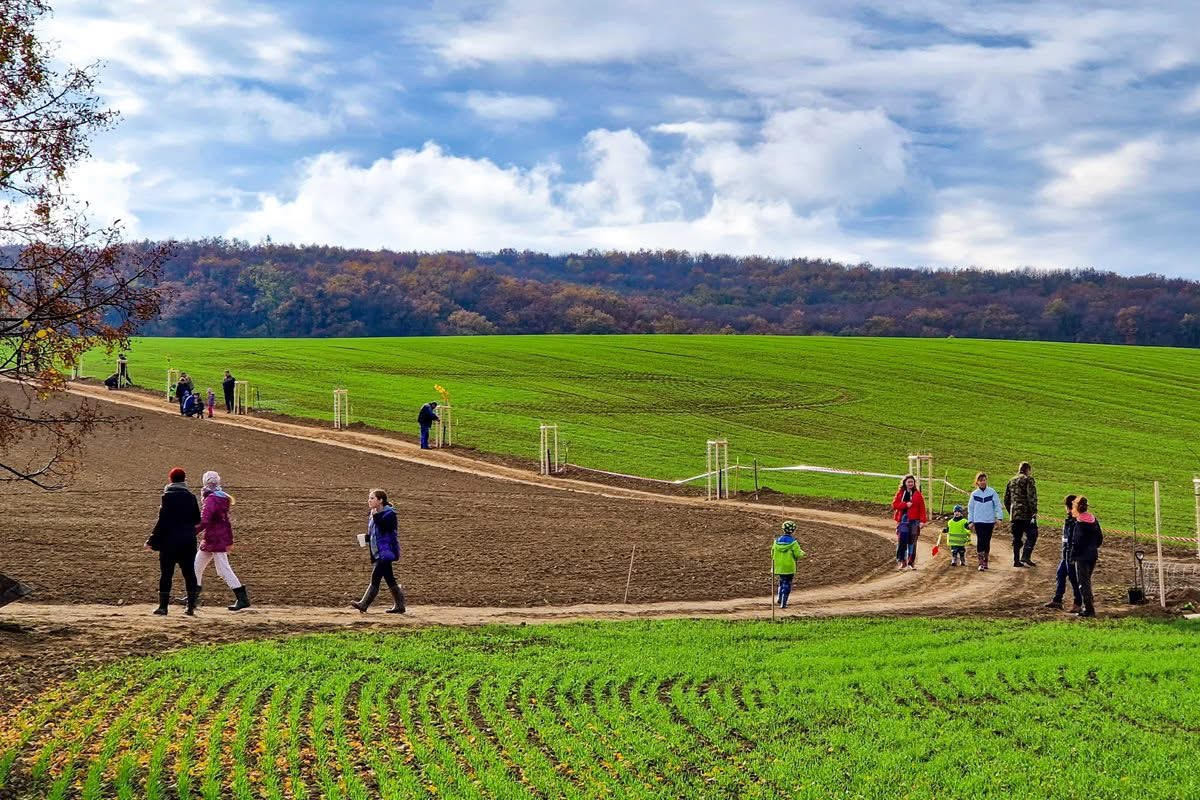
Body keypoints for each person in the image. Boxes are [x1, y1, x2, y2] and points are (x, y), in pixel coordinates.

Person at [145, 467, 201, 615]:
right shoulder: (191, 497)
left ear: (170, 479)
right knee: (189, 574)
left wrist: (151, 540)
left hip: (169, 543)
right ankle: (190, 607)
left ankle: (163, 607)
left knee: (166, 575)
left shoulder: (167, 497)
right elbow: (197, 520)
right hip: (188, 542)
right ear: (184, 480)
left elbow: (162, 521)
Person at [194, 471, 251, 612]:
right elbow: (226, 522)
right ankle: (192, 596)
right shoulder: (222, 498)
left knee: (223, 570)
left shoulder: (211, 499)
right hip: (216, 538)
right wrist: (229, 539)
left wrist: (191, 532)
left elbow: (205, 520)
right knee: (196, 566)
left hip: (214, 539)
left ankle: (242, 598)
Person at [351, 489, 406, 613]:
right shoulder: (373, 513)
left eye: (372, 498)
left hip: (386, 551)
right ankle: (400, 606)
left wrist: (375, 516)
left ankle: (364, 604)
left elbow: (386, 528)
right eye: (369, 498)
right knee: (389, 578)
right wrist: (366, 538)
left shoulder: (389, 514)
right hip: (378, 551)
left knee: (375, 578)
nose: (369, 501)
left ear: (380, 500)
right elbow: (375, 533)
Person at [1045, 494, 1082, 612]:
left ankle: (1078, 603)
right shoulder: (1069, 520)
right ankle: (1057, 600)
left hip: (1072, 555)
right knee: (1060, 574)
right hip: (1065, 555)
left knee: (1074, 579)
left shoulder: (1076, 521)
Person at [1070, 496, 1103, 618]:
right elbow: (1100, 538)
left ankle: (1089, 609)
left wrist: (1073, 556)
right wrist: (1093, 547)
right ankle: (1089, 605)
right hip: (1093, 554)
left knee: (1084, 583)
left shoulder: (1079, 522)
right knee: (1087, 581)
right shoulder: (1094, 520)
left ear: (1077, 507)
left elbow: (1076, 541)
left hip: (1082, 557)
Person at [1005, 462, 1039, 568]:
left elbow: (1006, 499)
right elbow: (1031, 497)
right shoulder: (1028, 479)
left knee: (1017, 538)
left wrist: (1011, 511)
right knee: (1032, 534)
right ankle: (1025, 556)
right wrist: (1034, 511)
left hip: (1015, 514)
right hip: (1026, 513)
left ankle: (1016, 560)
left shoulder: (1011, 481)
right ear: (1028, 469)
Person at [967, 471, 1003, 571]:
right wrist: (970, 521)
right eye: (980, 480)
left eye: (984, 480)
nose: (983, 482)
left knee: (987, 541)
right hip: (978, 521)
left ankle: (986, 560)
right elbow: (971, 508)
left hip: (989, 521)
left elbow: (997, 505)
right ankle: (981, 562)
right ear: (977, 482)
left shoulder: (992, 492)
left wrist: (999, 518)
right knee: (980, 540)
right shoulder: (974, 494)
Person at [892, 474, 927, 570]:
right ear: (905, 483)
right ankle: (902, 561)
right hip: (903, 520)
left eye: (912, 482)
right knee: (902, 541)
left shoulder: (918, 494)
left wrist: (923, 521)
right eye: (909, 482)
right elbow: (895, 505)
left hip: (914, 521)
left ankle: (911, 562)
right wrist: (905, 505)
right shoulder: (900, 493)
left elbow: (922, 508)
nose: (910, 483)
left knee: (912, 542)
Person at [772, 520, 807, 608]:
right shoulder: (793, 542)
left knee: (781, 582)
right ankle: (783, 603)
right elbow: (798, 554)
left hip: (778, 566)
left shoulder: (776, 542)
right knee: (787, 583)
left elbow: (772, 553)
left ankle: (779, 599)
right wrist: (803, 553)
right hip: (789, 567)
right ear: (793, 530)